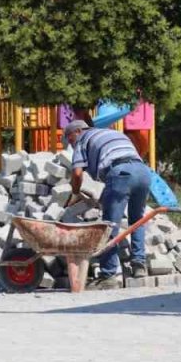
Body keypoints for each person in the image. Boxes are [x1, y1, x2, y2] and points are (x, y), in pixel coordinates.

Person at [64, 120, 153, 289]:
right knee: (137, 220)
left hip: (120, 174)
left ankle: (108, 275)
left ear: (77, 132)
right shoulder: (112, 133)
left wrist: (75, 193)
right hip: (143, 172)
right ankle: (139, 265)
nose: (71, 144)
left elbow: (77, 173)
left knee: (109, 225)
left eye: (70, 139)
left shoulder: (82, 140)